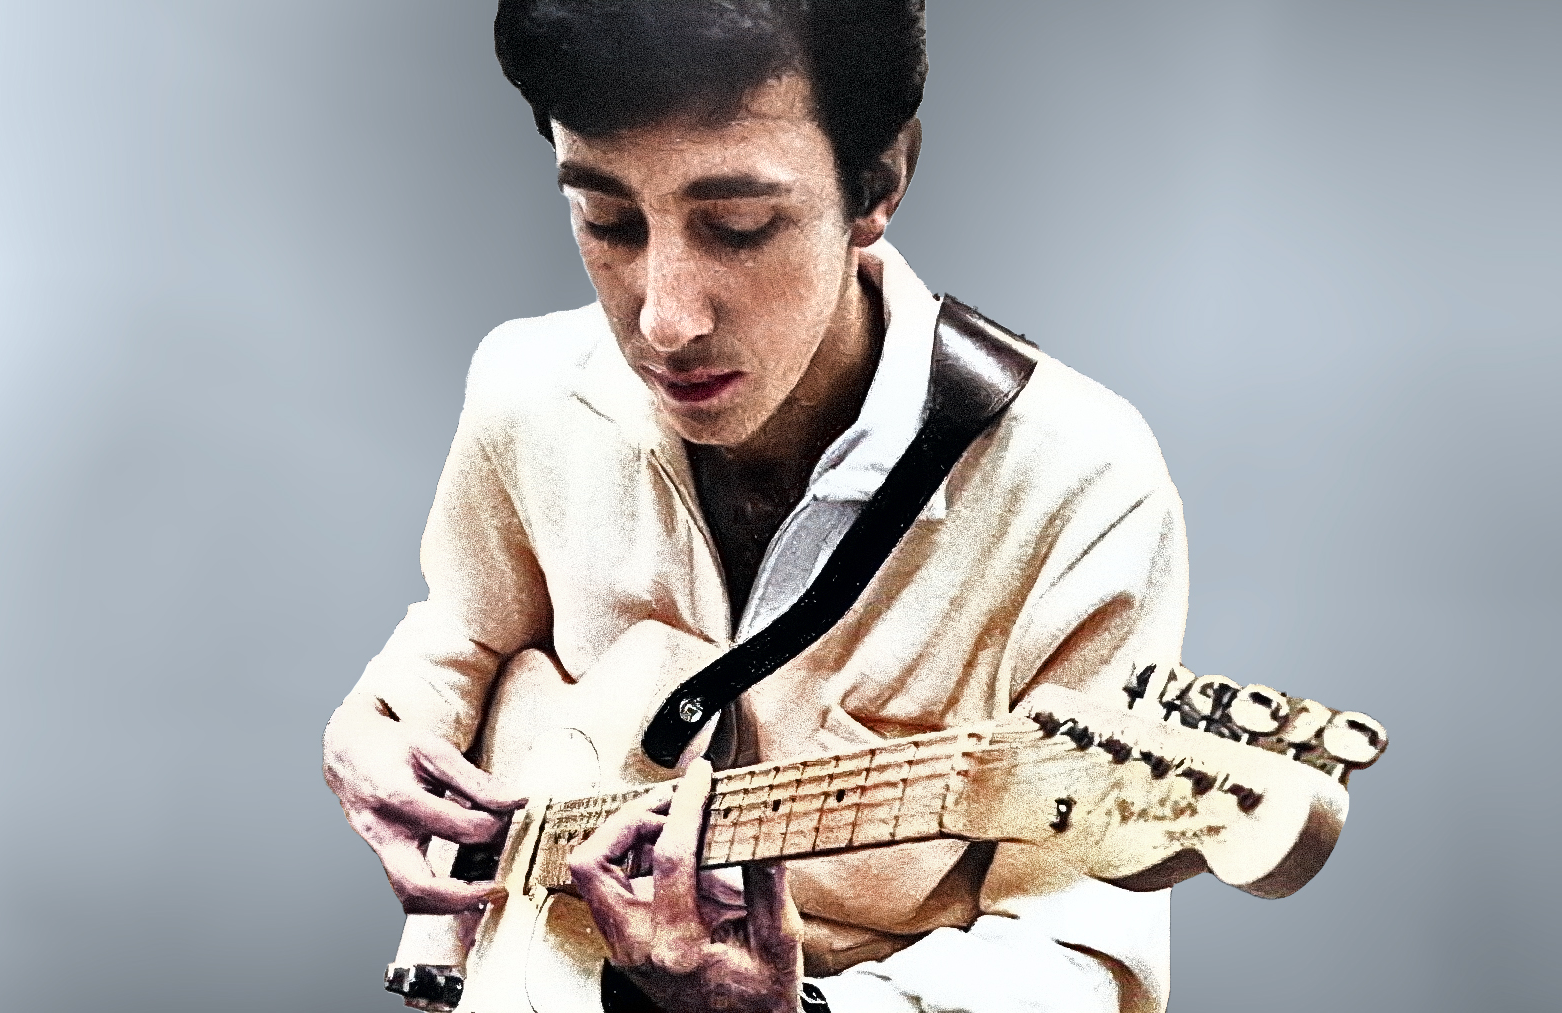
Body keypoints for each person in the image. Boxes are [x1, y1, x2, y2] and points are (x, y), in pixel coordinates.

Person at [323, 2, 1187, 1011]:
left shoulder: (1084, 487)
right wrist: (375, 732)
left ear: (880, 183)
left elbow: (1086, 954)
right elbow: (456, 639)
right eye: (606, 219)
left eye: (737, 226)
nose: (663, 318)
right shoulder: (526, 390)